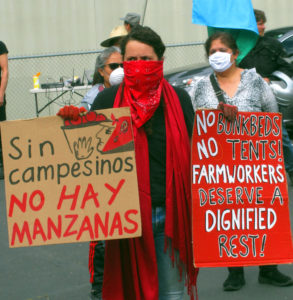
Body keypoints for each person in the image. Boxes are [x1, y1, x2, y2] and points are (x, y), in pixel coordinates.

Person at [58, 25, 199, 299]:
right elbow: (88, 156)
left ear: (161, 61)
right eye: (131, 60)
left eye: (145, 59)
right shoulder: (108, 100)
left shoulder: (180, 100)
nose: (138, 65)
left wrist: (223, 123)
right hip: (125, 218)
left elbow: (200, 152)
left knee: (172, 294)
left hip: (171, 216)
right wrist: (73, 122)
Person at [189, 31, 293, 292]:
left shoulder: (256, 81)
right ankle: (234, 271)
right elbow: (194, 126)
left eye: (223, 50)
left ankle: (268, 268)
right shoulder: (200, 87)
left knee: (260, 215)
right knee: (230, 218)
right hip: (219, 171)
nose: (217, 55)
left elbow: (271, 115)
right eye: (212, 51)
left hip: (256, 166)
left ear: (235, 54)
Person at [239, 9, 293, 185]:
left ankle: (291, 168)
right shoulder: (238, 47)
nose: (262, 26)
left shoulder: (273, 44)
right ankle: (253, 175)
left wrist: (271, 79)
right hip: (244, 98)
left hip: (270, 97)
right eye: (258, 22)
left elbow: (287, 67)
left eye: (263, 22)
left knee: (280, 136)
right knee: (247, 138)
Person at [80, 46, 123, 111]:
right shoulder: (91, 99)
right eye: (113, 66)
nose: (120, 70)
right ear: (101, 71)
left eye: (123, 66)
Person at [0, 41, 8, 180]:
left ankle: (5, 165)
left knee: (1, 130)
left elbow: (5, 70)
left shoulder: (0, 46)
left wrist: (1, 93)